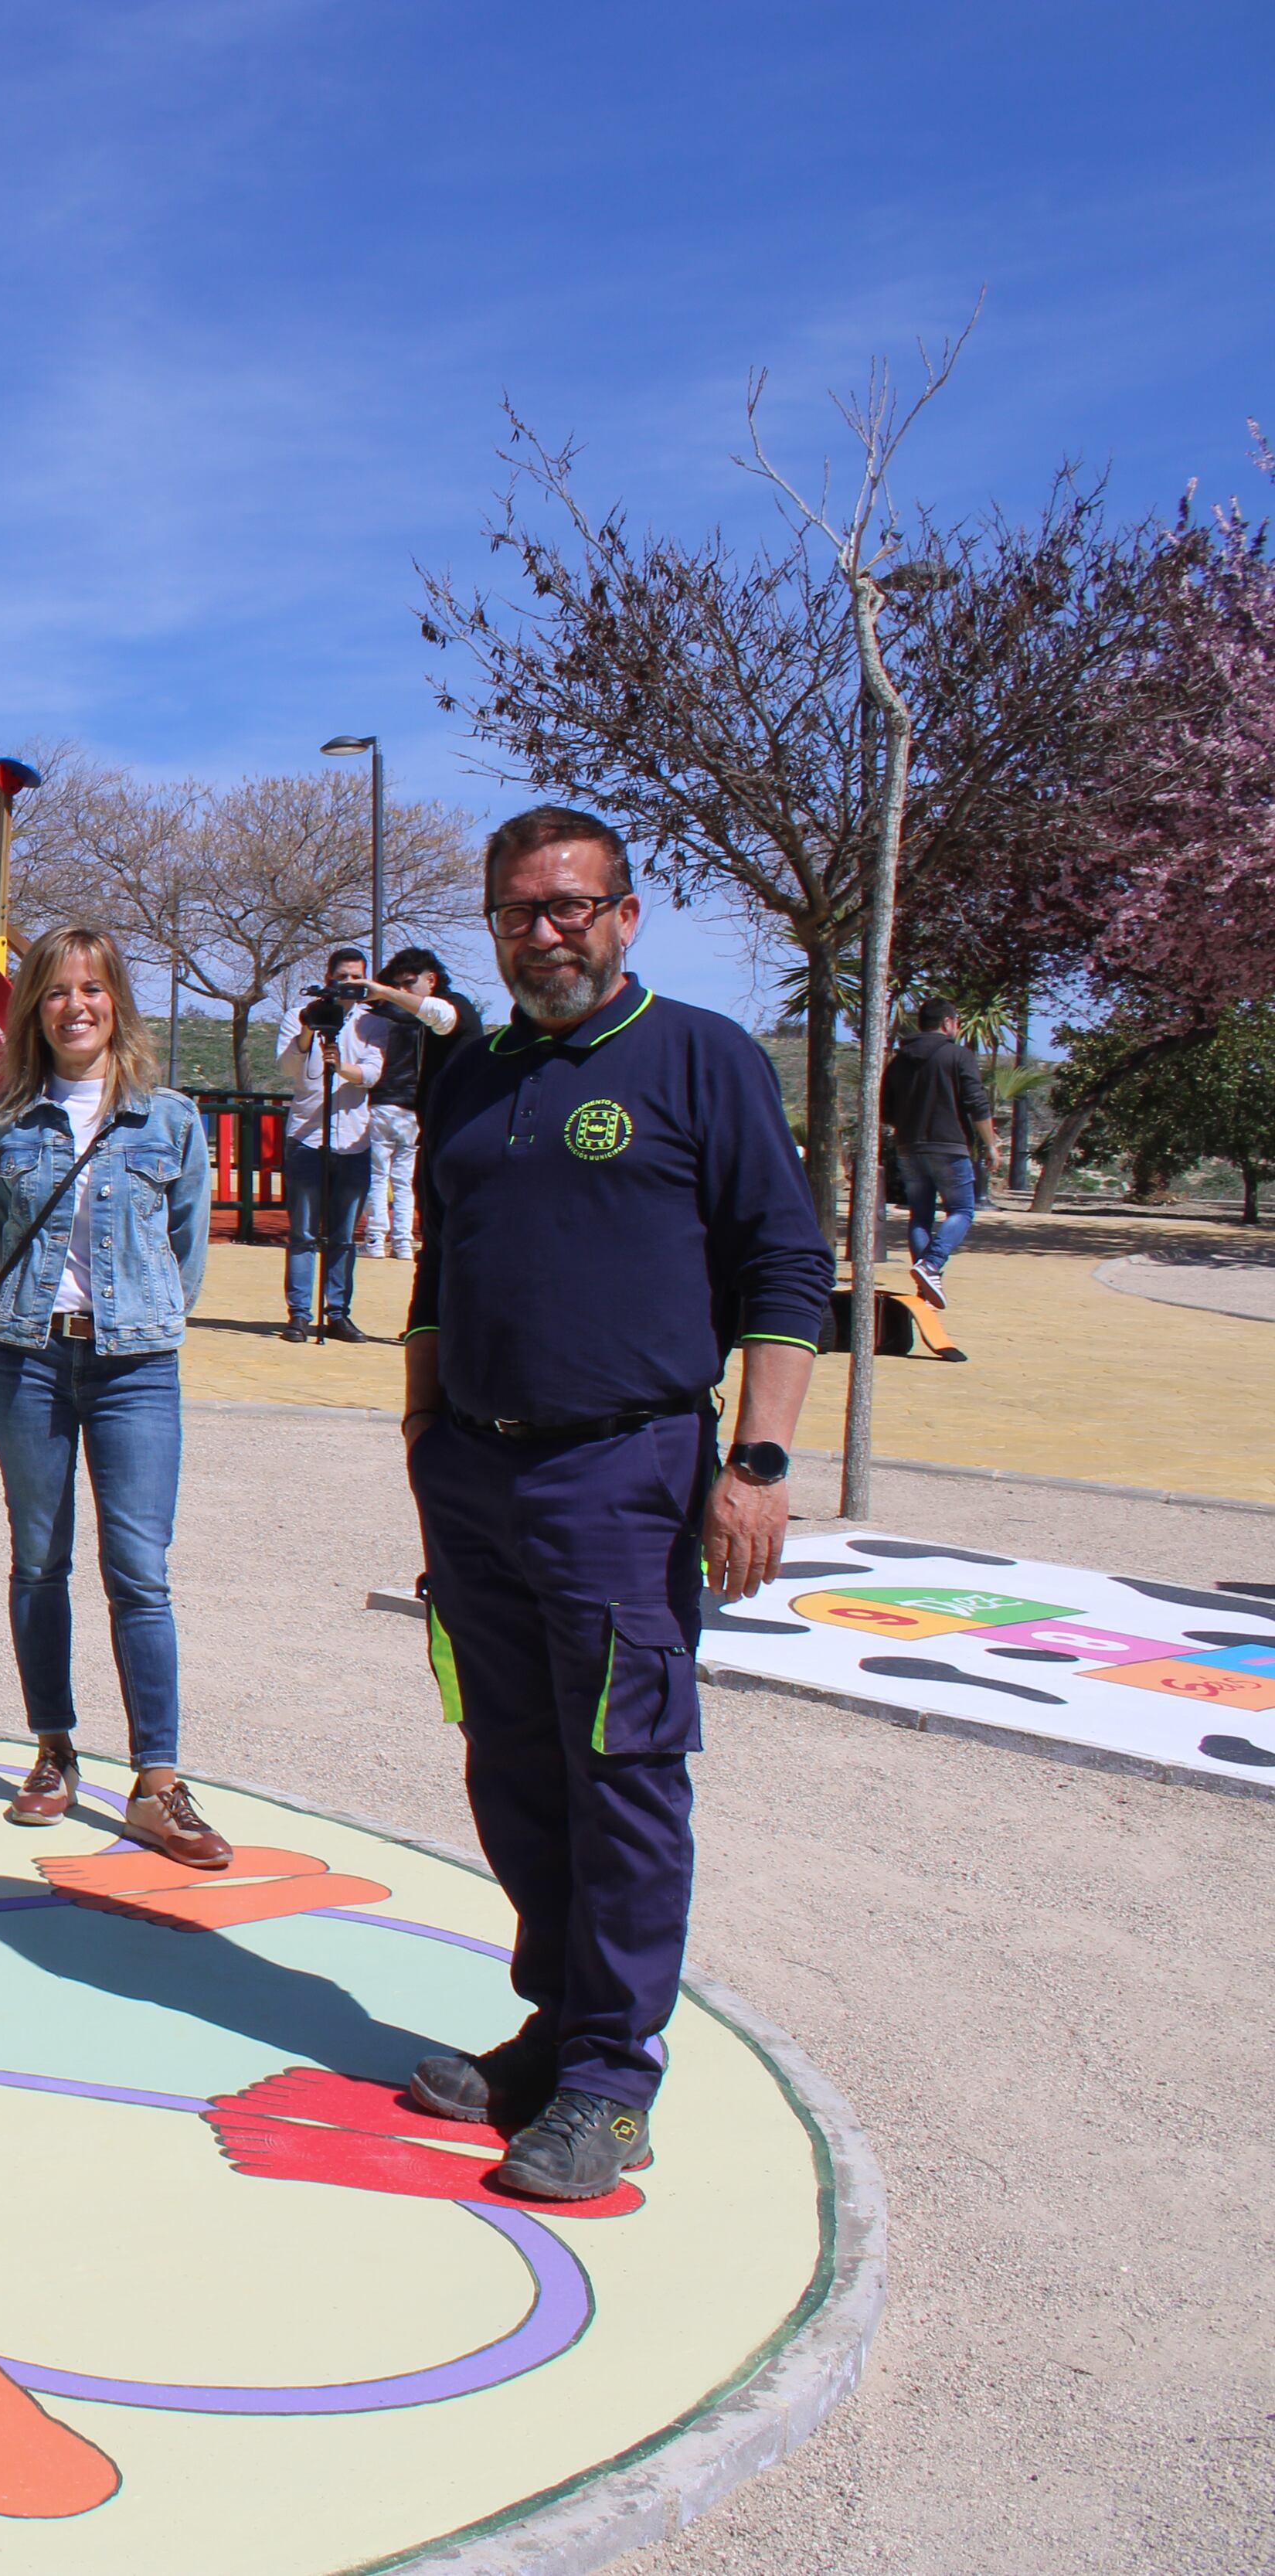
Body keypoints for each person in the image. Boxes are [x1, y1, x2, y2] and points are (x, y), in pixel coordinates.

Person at [400, 806, 827, 2201]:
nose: (545, 932)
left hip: (624, 1473)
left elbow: (785, 1265)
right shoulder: (469, 1075)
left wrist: (758, 1464)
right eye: (518, 910)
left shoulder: (700, 1055)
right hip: (478, 1472)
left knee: (625, 1773)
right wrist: (422, 1434)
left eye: (570, 905)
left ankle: (613, 2079)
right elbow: (439, 1269)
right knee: (514, 1764)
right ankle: (555, 2027)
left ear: (624, 915)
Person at [0, 926, 228, 1863]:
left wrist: (137, 1315)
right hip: (27, 1359)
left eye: (91, 989)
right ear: (32, 1009)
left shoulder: (170, 1118)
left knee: (139, 1572)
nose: (74, 1007)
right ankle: (52, 1749)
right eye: (54, 991)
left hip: (135, 1367)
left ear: (115, 1000)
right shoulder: (0, 1121)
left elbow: (185, 1249)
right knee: (38, 1560)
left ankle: (157, 1781)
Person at [274, 948, 386, 1342]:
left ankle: (337, 1314)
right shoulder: (298, 1015)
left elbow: (372, 1074)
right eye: (342, 977)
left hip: (353, 1140)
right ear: (328, 978)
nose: (348, 985)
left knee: (343, 1236)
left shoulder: (373, 1023)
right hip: (306, 1138)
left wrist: (341, 1068)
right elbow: (288, 1069)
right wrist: (308, 1031)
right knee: (303, 1233)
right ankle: (299, 1315)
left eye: (356, 977)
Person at [359, 948, 477, 1261]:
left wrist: (384, 992)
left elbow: (440, 1015)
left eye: (409, 983)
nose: (402, 991)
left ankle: (386, 1240)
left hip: (459, 1135)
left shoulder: (456, 1007)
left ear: (431, 980)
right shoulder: (414, 1022)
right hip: (431, 1131)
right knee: (422, 1206)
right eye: (397, 985)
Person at [879, 997, 996, 1307]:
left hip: (909, 1147)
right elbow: (976, 1104)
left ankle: (926, 1287)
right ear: (947, 1022)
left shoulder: (898, 1062)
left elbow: (886, 1111)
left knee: (920, 1216)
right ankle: (931, 1265)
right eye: (956, 1022)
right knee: (962, 1210)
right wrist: (991, 1144)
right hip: (950, 1146)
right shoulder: (958, 1056)